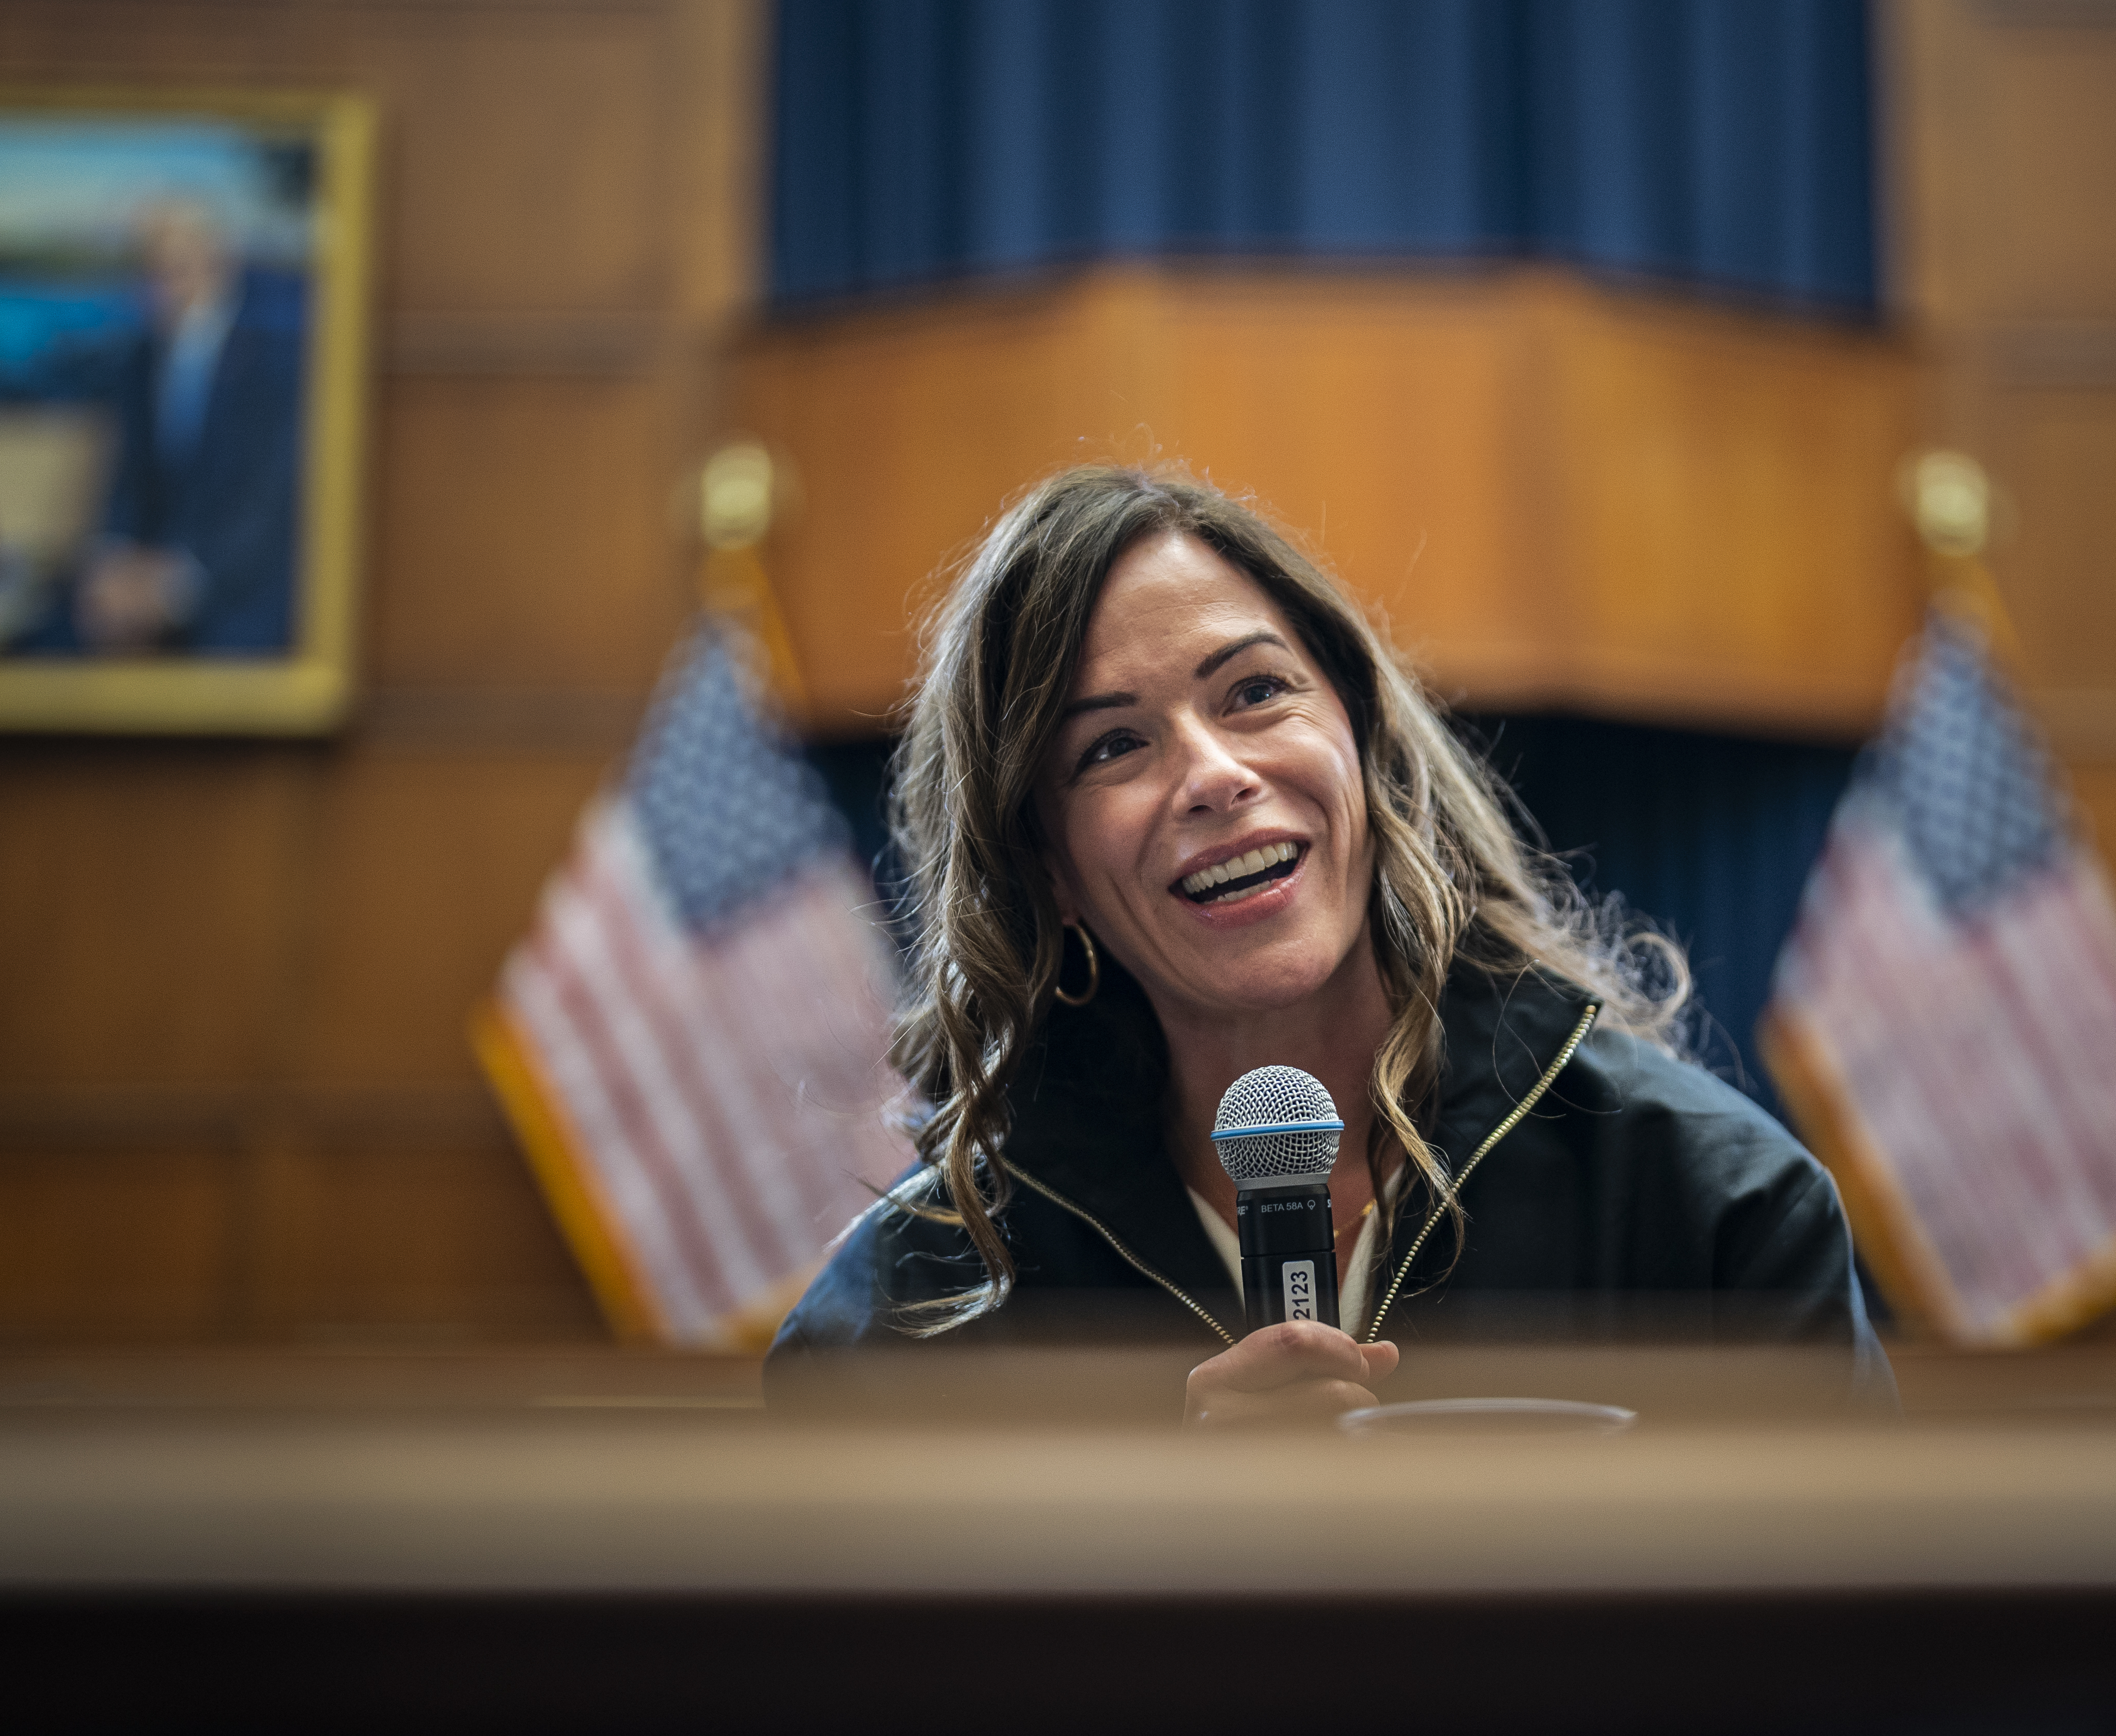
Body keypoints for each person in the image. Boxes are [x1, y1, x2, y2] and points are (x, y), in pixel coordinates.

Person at [766, 464, 1884, 1425]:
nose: (1213, 774)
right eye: (1112, 746)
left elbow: (1855, 1658)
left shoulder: (1712, 1210)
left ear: (1364, 741)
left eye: (1254, 690)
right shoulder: (902, 1319)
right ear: (1046, 869)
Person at [67, 197, 305, 657]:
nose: (158, 288)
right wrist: (113, 559)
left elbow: (273, 501)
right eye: (148, 272)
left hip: (244, 600)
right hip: (154, 591)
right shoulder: (141, 358)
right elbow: (128, 480)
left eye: (175, 269)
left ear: (218, 265)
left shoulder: (277, 359)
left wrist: (177, 582)